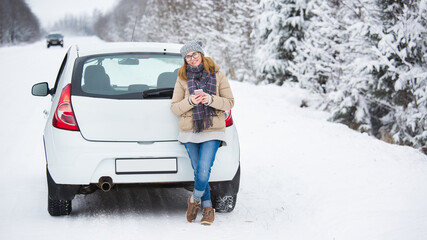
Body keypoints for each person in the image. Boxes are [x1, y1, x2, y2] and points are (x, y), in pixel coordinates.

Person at [170, 40, 234, 225]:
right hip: (190, 131)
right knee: (198, 171)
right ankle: (207, 208)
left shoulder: (218, 75)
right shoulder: (182, 78)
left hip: (213, 129)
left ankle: (194, 200)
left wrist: (210, 99)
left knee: (204, 170)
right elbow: (175, 108)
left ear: (201, 54)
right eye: (187, 57)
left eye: (194, 55)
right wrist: (190, 101)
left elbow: (229, 102)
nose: (191, 59)